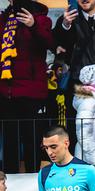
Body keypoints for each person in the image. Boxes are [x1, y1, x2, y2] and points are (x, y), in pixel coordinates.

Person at [0, 0, 53, 173]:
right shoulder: (4, 18)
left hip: (32, 92)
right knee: (10, 141)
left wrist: (33, 25)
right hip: (7, 91)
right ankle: (9, 181)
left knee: (32, 140)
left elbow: (49, 43)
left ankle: (33, 178)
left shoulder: (41, 18)